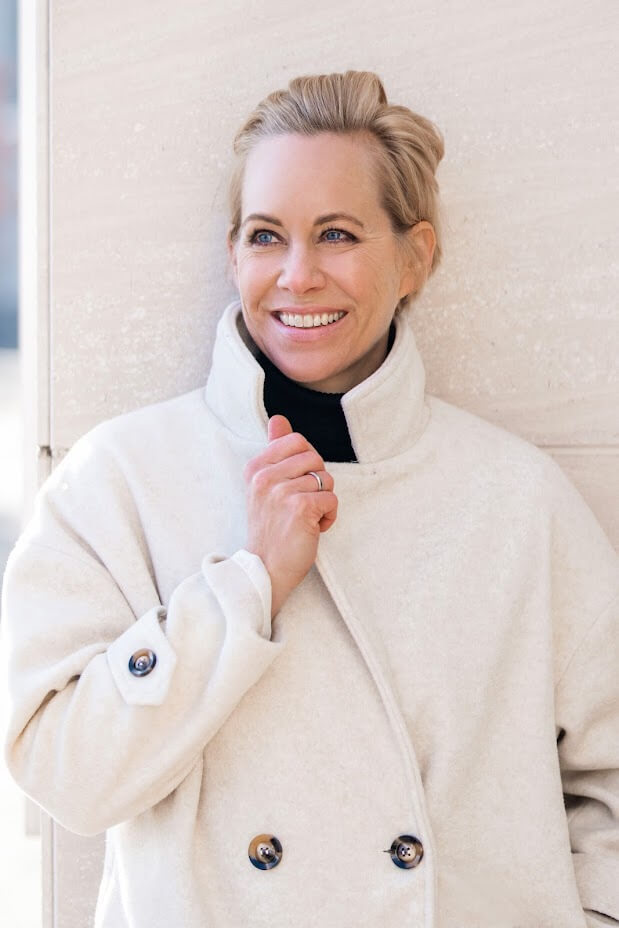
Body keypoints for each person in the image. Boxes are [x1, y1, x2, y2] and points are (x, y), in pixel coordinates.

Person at [2, 71, 618, 928]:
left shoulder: (516, 499)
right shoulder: (122, 478)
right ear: (233, 255)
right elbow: (66, 777)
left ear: (415, 256)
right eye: (266, 236)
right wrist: (247, 583)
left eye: (336, 234)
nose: (297, 276)